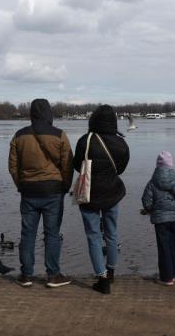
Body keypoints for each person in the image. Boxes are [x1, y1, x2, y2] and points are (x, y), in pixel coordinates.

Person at [8, 98, 73, 288]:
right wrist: (65, 186)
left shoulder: (19, 136)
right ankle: (53, 275)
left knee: (27, 234)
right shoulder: (60, 135)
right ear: (49, 113)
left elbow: (13, 166)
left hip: (28, 191)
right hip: (53, 190)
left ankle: (26, 275)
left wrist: (21, 185)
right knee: (52, 234)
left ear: (31, 114)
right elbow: (68, 164)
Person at [73, 105, 129, 294]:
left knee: (93, 236)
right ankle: (111, 270)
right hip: (112, 193)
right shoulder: (122, 143)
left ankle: (102, 277)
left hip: (89, 195)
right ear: (113, 120)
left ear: (93, 120)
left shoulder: (85, 141)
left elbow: (76, 166)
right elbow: (120, 169)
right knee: (111, 233)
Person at [141, 151, 175, 286]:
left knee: (164, 248)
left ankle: (166, 278)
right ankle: (172, 274)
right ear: (171, 165)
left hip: (161, 220)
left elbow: (146, 201)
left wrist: (151, 210)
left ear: (157, 166)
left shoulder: (152, 182)